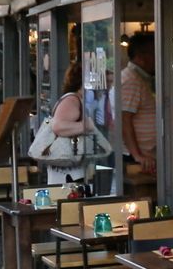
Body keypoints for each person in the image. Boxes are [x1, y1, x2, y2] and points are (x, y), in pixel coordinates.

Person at [28, 91, 111, 187]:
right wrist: (87, 126)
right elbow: (105, 147)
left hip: (58, 179)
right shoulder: (74, 102)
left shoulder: (73, 102)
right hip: (75, 177)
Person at [115, 32, 161, 176]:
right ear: (141, 56)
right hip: (137, 160)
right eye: (155, 53)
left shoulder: (137, 79)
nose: (159, 58)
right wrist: (137, 155)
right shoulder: (131, 81)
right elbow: (124, 119)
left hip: (144, 156)